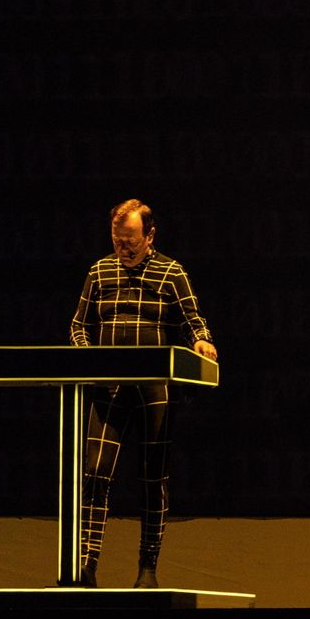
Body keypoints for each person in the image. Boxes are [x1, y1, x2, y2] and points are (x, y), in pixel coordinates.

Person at [70, 199, 217, 589]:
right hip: (109, 388)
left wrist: (202, 341)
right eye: (118, 240)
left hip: (154, 390)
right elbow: (78, 325)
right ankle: (86, 564)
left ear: (150, 235)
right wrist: (87, 360)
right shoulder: (99, 272)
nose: (124, 247)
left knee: (153, 479)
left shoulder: (172, 273)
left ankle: (147, 568)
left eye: (131, 240)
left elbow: (194, 321)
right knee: (95, 472)